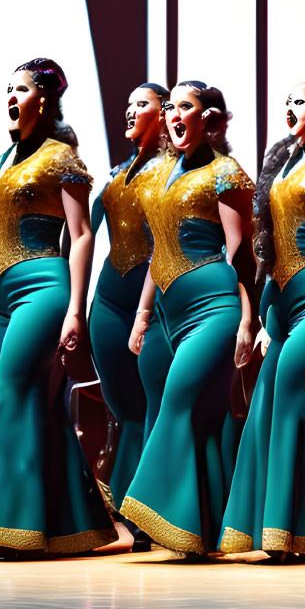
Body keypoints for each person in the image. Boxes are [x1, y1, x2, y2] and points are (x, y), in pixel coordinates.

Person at [0, 58, 115, 557]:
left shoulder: (61, 158)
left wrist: (75, 307)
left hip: (42, 285)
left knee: (15, 391)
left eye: (19, 89)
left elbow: (83, 235)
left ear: (41, 100)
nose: (9, 96)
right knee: (31, 403)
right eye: (7, 88)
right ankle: (72, 524)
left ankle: (12, 526)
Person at [220, 81, 305, 561]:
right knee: (269, 401)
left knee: (296, 390)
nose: (290, 107)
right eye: (287, 102)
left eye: (301, 100)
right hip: (280, 298)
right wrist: (256, 316)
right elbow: (266, 246)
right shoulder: (281, 165)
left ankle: (292, 532)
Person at [120, 82, 256, 558]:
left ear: (209, 118)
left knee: (180, 402)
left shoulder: (226, 174)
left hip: (215, 307)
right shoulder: (158, 175)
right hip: (162, 313)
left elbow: (243, 256)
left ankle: (139, 508)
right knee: (197, 416)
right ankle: (208, 530)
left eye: (186, 107)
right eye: (172, 108)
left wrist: (246, 319)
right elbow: (159, 251)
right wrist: (141, 314)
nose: (175, 115)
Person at [88, 82, 172, 537]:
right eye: (128, 103)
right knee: (124, 406)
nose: (130, 110)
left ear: (164, 115)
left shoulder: (173, 173)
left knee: (151, 402)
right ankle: (129, 506)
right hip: (107, 300)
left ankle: (148, 511)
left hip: (153, 299)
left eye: (141, 104)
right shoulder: (115, 173)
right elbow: (80, 233)